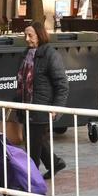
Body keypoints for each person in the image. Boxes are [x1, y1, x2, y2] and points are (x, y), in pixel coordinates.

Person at [13, 21, 69, 179]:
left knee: (32, 148)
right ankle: (55, 163)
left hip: (41, 110)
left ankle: (33, 184)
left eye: (30, 35)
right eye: (25, 35)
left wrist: (56, 108)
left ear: (40, 36)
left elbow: (62, 85)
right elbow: (21, 82)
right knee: (37, 141)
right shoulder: (26, 54)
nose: (26, 38)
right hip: (26, 108)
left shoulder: (51, 55)